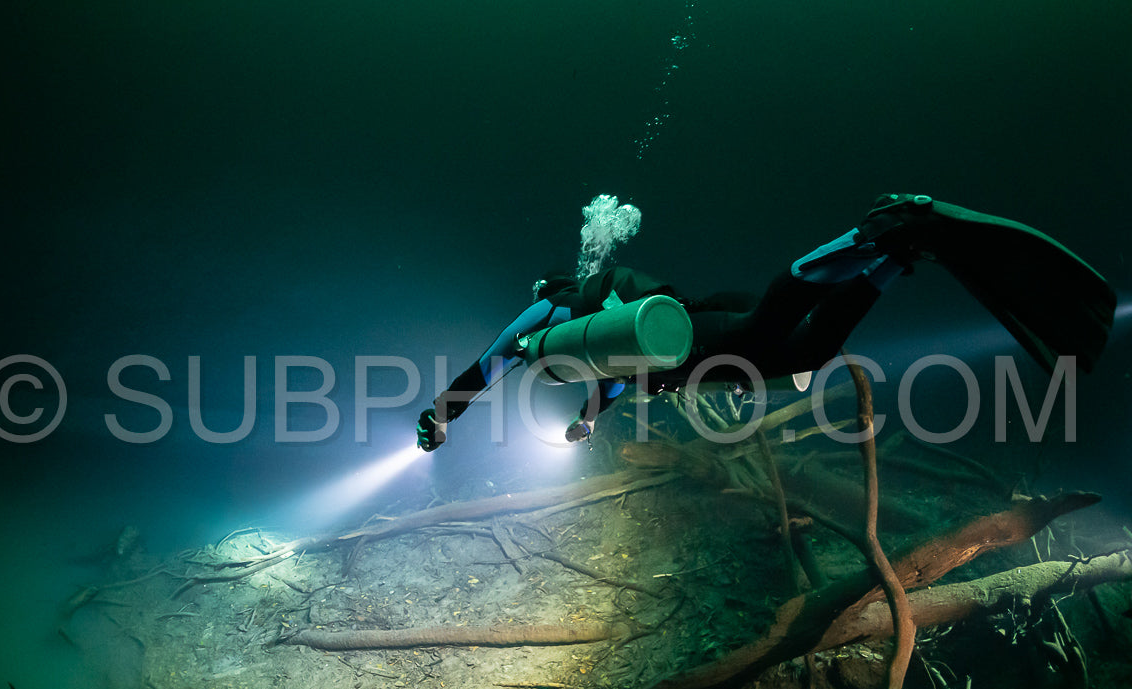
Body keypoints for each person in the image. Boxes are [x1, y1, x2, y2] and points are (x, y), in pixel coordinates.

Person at [416, 194, 1115, 452]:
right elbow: (619, 379)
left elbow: (490, 363)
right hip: (684, 343)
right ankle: (893, 259)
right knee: (809, 350)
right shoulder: (598, 336)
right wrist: (588, 422)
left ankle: (873, 233)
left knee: (764, 331)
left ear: (547, 289)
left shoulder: (547, 312)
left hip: (687, 340)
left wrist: (442, 416)